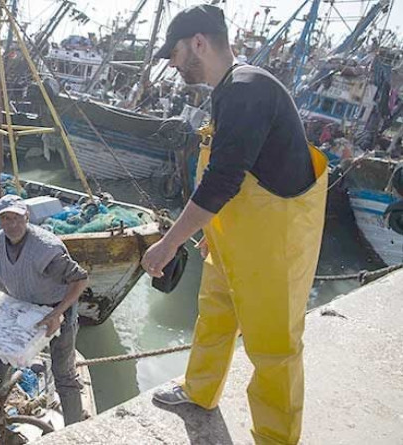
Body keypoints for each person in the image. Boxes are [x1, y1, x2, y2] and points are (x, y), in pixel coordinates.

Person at [142, 5, 328, 445]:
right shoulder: (228, 89)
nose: (172, 64)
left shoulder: (247, 90)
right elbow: (234, 172)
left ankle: (276, 438)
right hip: (236, 236)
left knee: (275, 349)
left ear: (199, 43)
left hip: (274, 245)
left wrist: (168, 244)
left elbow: (221, 181)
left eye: (174, 53)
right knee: (215, 315)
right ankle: (199, 391)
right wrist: (211, 232)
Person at [0, 195, 90, 426]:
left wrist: (56, 314)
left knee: (63, 372)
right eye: (5, 218)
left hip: (55, 308)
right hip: (21, 305)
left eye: (16, 218)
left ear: (27, 217)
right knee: (3, 349)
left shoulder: (45, 248)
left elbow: (80, 279)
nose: (11, 224)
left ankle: (74, 426)